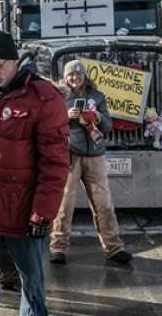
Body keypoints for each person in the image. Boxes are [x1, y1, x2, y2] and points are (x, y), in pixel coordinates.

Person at [0, 31, 69, 316]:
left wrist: (42, 214)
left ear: (14, 62)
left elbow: (55, 164)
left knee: (31, 284)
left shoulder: (43, 98)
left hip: (23, 212)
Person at [49, 60, 131, 266]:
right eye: (70, 74)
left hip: (95, 155)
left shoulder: (98, 96)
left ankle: (114, 248)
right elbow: (49, 125)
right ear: (65, 77)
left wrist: (97, 116)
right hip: (70, 155)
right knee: (64, 204)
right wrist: (65, 116)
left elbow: (108, 126)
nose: (74, 77)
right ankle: (58, 248)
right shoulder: (58, 97)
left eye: (78, 74)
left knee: (104, 204)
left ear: (85, 76)